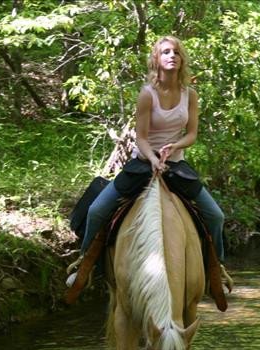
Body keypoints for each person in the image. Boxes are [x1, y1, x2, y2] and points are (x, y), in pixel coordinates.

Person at [67, 36, 232, 291]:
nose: (171, 56)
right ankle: (84, 262)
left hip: (175, 165)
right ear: (157, 58)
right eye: (165, 52)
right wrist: (153, 158)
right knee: (97, 210)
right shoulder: (147, 95)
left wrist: (175, 146)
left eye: (176, 52)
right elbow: (141, 137)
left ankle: (217, 267)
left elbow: (191, 134)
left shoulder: (190, 95)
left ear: (181, 59)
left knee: (216, 215)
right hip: (143, 163)